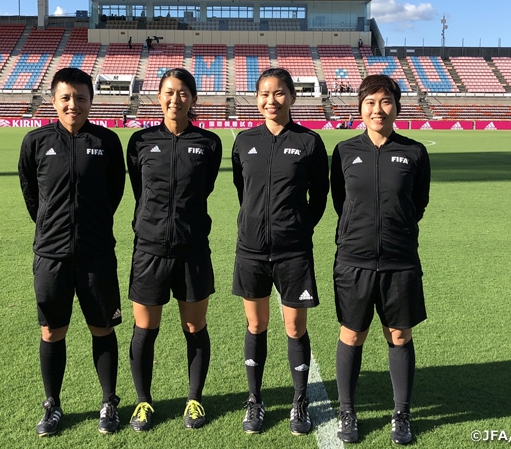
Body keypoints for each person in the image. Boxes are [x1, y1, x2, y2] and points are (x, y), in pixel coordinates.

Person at [18, 67, 126, 437]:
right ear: (53, 100)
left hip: (96, 254)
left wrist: (90, 225)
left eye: (80, 97)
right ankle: (52, 404)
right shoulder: (35, 141)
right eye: (65, 97)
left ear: (91, 101)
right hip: (51, 255)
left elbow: (114, 192)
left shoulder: (107, 141)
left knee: (102, 328)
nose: (73, 104)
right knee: (52, 332)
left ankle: (109, 401)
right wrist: (51, 225)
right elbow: (31, 192)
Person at [330, 74, 431, 445]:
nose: (377, 109)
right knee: (352, 334)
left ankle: (401, 414)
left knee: (400, 336)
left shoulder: (415, 152)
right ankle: (347, 410)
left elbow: (417, 203)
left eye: (385, 101)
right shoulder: (343, 151)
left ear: (396, 107)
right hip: (353, 260)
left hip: (399, 260)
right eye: (370, 102)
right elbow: (342, 202)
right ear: (360, 107)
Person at [231, 67, 329, 436]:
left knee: (294, 327)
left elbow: (319, 196)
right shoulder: (244, 140)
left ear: (292, 96)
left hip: (293, 252)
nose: (271, 101)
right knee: (256, 324)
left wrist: (299, 226)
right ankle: (254, 401)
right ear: (256, 99)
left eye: (278, 93)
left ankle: (299, 401)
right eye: (264, 94)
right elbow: (244, 190)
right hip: (252, 250)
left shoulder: (309, 142)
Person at [126, 68, 222, 432]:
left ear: (193, 98)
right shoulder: (140, 141)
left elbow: (205, 188)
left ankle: (194, 399)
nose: (175, 99)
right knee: (144, 329)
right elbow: (140, 191)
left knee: (194, 326)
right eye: (168, 92)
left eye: (183, 93)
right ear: (158, 96)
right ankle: (143, 402)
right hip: (149, 250)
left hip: (193, 250)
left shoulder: (209, 143)